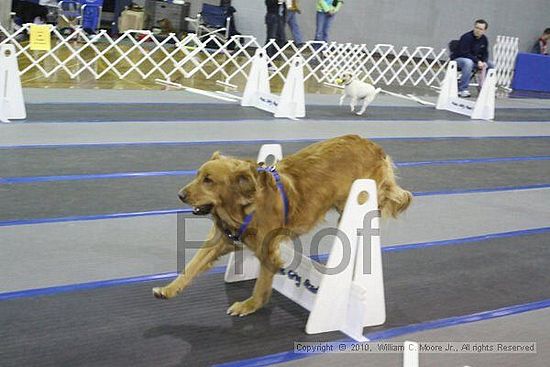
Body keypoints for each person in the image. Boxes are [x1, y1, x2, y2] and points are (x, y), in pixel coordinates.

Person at [451, 19, 494, 97]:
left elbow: (485, 53)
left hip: (475, 60)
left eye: (480, 29)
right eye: (476, 28)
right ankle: (462, 89)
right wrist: (478, 61)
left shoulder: (484, 39)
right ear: (474, 27)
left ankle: (486, 89)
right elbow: (464, 53)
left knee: (491, 64)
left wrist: (484, 61)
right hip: (459, 59)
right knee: (468, 63)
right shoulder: (466, 37)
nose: (478, 30)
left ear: (484, 30)